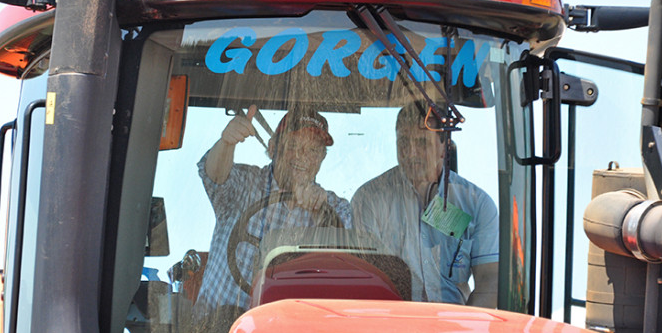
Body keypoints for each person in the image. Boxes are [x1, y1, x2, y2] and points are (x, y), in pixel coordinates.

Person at [195, 104, 352, 311]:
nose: (302, 156)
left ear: (322, 158)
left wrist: (320, 211)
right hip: (215, 329)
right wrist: (226, 143)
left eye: (313, 150)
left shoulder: (335, 208)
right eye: (294, 145)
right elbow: (215, 176)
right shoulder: (246, 183)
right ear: (272, 148)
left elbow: (349, 267)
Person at [351, 100, 499, 307]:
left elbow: (490, 281)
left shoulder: (476, 204)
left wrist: (469, 328)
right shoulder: (370, 199)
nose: (410, 153)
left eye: (421, 143)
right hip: (388, 320)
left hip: (453, 327)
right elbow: (364, 278)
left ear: (443, 146)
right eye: (403, 142)